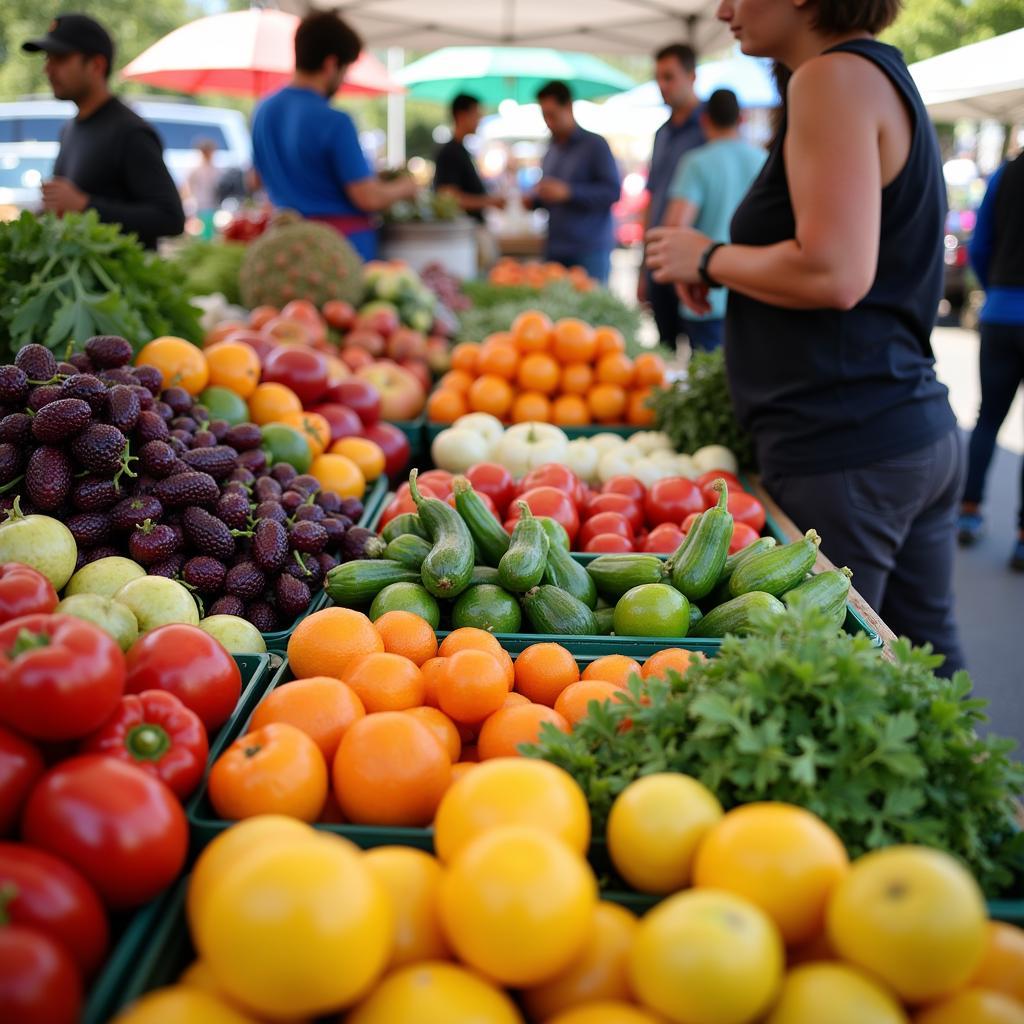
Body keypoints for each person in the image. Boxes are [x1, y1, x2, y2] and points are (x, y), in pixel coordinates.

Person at [646, 0, 965, 673]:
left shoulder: (831, 77)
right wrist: (733, 266)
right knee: (926, 676)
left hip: (846, 448)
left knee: (825, 680)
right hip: (897, 433)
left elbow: (836, 271)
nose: (724, 10)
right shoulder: (867, 75)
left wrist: (708, 258)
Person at [251, 11, 416, 260]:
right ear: (330, 64)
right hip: (340, 252)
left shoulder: (263, 111)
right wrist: (404, 187)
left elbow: (255, 180)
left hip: (285, 247)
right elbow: (367, 198)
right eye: (344, 70)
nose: (343, 80)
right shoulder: (335, 121)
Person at [22, 14, 184, 249]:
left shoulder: (130, 132)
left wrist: (86, 206)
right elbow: (68, 206)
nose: (48, 69)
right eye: (47, 58)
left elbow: (171, 218)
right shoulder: (70, 128)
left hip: (121, 283)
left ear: (96, 65)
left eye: (60, 58)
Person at [959, 153, 1024, 569]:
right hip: (1003, 306)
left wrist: (998, 291)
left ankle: (968, 512)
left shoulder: (1006, 173)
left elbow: (979, 246)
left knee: (987, 418)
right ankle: (1022, 539)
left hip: (1001, 313)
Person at [662, 89, 765, 353]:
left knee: (709, 385)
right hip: (754, 291)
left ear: (705, 120)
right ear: (741, 119)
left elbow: (675, 227)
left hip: (705, 292)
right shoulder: (763, 161)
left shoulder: (696, 163)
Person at [640, 43, 706, 346]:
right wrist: (646, 262)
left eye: (669, 77)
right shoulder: (662, 133)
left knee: (701, 352)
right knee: (665, 348)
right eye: (658, 78)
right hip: (662, 256)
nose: (662, 86)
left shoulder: (711, 129)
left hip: (697, 259)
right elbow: (652, 197)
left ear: (691, 76)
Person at [528, 81, 620, 284]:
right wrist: (535, 199)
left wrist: (569, 192)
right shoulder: (551, 149)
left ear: (568, 106)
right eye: (544, 115)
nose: (548, 122)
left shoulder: (595, 145)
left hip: (589, 250)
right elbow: (550, 198)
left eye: (552, 114)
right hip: (556, 247)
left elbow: (612, 192)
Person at [433, 94, 505, 220]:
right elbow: (449, 197)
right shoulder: (450, 152)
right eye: (476, 114)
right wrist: (489, 201)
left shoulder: (461, 149)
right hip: (462, 230)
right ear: (461, 115)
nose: (479, 119)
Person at [183, 139, 221, 241]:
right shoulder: (196, 168)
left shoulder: (215, 168)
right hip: (200, 203)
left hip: (212, 202)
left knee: (209, 228)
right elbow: (188, 186)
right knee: (201, 229)